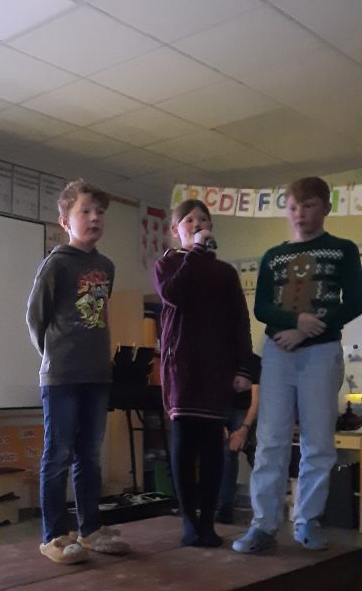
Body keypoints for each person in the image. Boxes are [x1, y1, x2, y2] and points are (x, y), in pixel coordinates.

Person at [234, 177, 362, 555]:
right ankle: (264, 524)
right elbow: (262, 308)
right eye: (293, 207)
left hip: (321, 351)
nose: (300, 214)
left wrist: (306, 329)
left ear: (325, 207)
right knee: (270, 440)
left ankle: (306, 521)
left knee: (317, 441)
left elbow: (355, 300)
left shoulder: (342, 249)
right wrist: (293, 324)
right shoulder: (274, 256)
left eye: (308, 206)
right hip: (277, 352)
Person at [26, 178, 129, 565]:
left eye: (99, 212)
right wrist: (53, 355)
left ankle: (90, 530)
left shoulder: (106, 266)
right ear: (65, 220)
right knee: (58, 455)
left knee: (90, 455)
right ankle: (53, 535)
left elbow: (96, 317)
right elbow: (35, 317)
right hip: (63, 376)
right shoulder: (56, 264)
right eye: (85, 211)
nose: (94, 217)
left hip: (97, 375)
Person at [154, 199, 253, 547]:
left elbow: (240, 320)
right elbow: (173, 295)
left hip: (216, 370)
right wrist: (196, 253)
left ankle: (208, 522)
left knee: (213, 448)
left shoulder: (225, 273)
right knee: (183, 446)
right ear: (175, 230)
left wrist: (244, 367)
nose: (198, 224)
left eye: (204, 220)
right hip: (181, 368)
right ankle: (189, 521)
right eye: (189, 220)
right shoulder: (168, 264)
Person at [216, 353, 261, 524]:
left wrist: (244, 429)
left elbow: (255, 402)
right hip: (221, 409)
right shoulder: (220, 358)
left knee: (234, 450)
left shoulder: (254, 361)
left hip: (245, 411)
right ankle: (223, 505)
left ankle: (228, 506)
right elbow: (213, 393)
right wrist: (218, 422)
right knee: (223, 450)